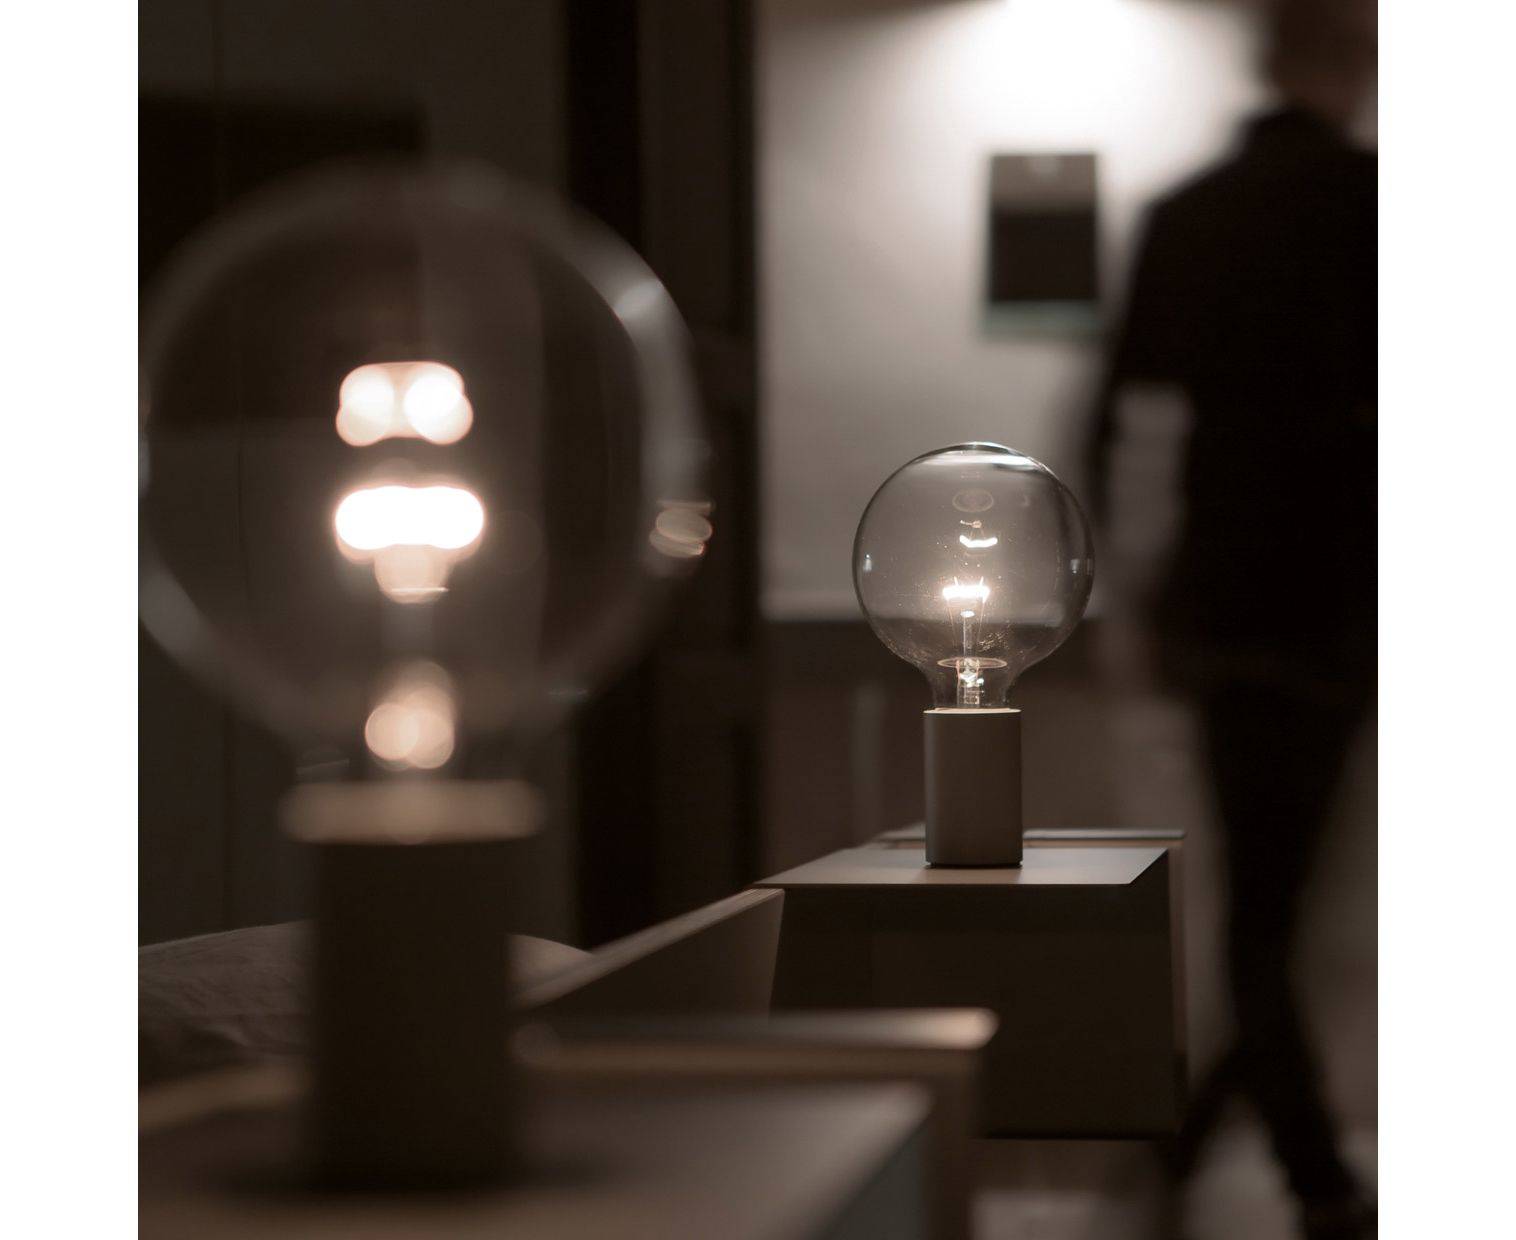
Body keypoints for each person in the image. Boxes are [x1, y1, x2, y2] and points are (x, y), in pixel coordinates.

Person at [1084, 2, 1376, 1236]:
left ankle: (1191, 1152)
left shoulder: (1191, 214)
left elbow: (1112, 418)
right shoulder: (1375, 208)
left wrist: (1134, 585)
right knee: (1278, 916)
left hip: (1228, 603)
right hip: (1343, 603)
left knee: (1271, 907)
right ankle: (1309, 1177)